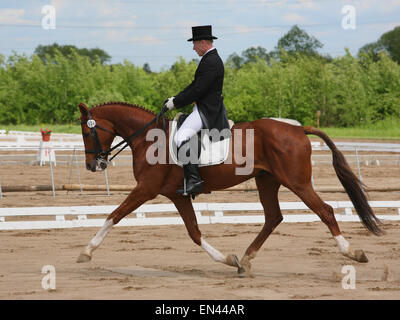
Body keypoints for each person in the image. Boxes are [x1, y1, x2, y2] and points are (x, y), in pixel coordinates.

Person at [164, 25, 230, 196]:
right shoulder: (209, 60)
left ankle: (194, 180)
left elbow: (198, 90)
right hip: (203, 108)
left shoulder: (211, 61)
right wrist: (175, 99)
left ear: (202, 42)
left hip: (207, 111)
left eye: (194, 44)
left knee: (180, 137)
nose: (193, 48)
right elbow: (194, 86)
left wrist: (176, 103)